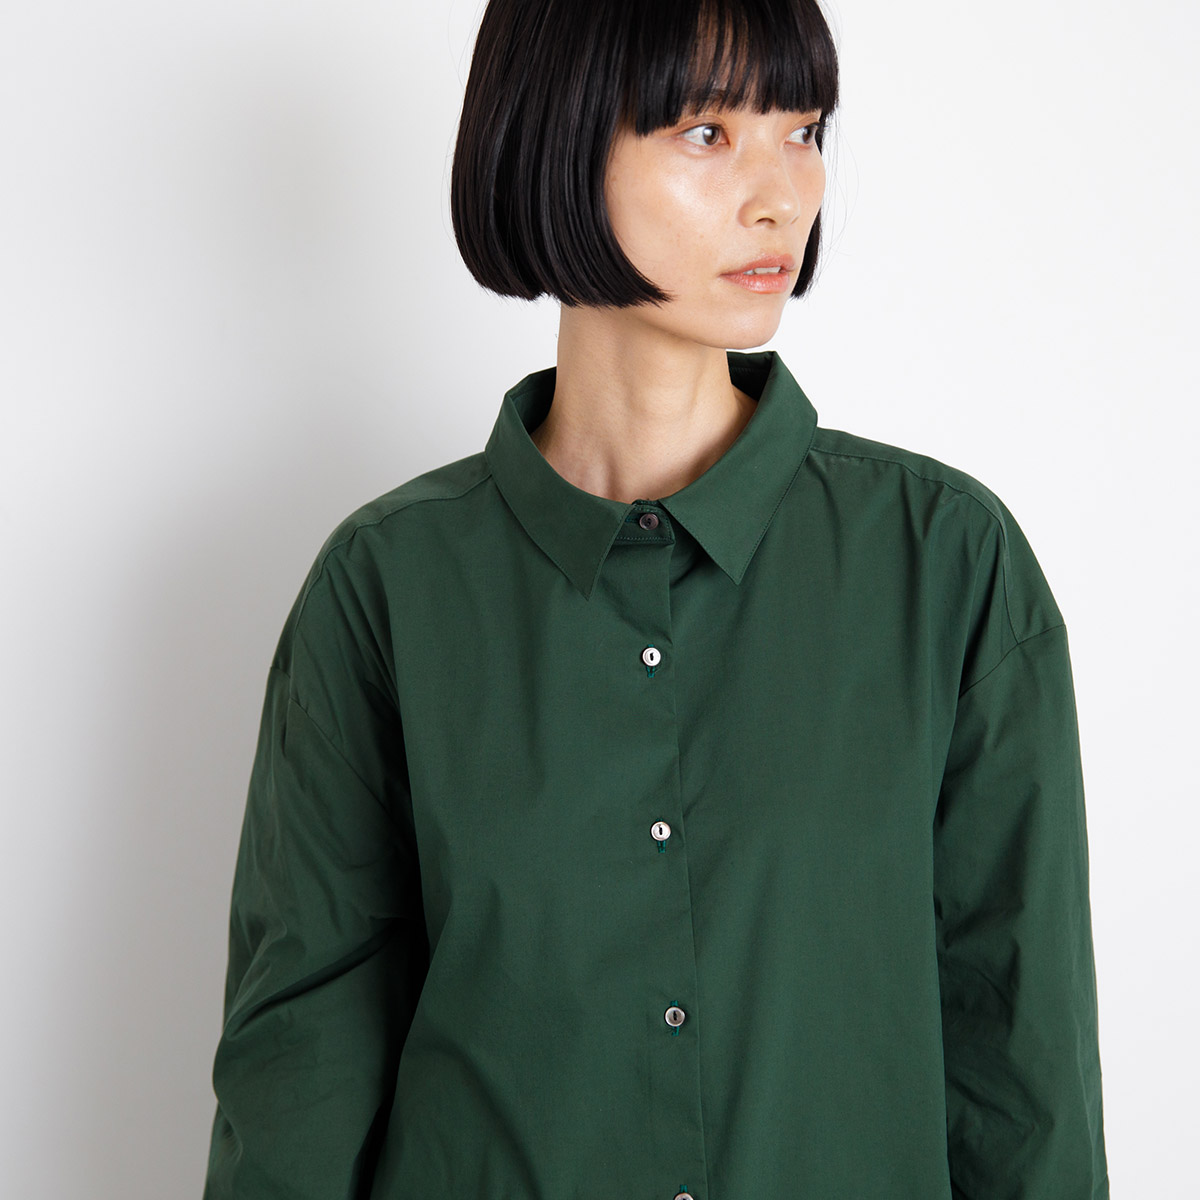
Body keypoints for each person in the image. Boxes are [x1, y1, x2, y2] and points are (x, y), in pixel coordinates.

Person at [201, 1, 1109, 1197]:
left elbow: (1023, 1074)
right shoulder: (388, 588)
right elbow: (300, 1076)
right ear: (557, 141)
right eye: (706, 133)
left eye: (802, 130)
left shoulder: (947, 565)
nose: (781, 196)